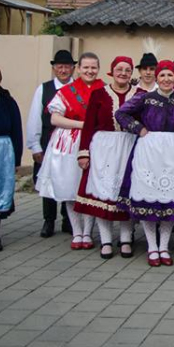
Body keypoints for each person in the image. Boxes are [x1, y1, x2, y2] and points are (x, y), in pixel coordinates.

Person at [116, 60, 174, 267]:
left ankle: (164, 246)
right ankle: (152, 247)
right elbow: (121, 113)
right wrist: (139, 129)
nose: (166, 79)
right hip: (150, 152)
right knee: (150, 198)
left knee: (170, 198)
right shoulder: (145, 98)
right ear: (156, 77)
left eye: (169, 75)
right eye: (162, 75)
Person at [37, 53, 104, 251]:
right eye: (86, 68)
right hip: (69, 143)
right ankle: (76, 232)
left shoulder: (103, 89)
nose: (90, 71)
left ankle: (88, 232)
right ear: (79, 69)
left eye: (93, 68)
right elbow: (55, 119)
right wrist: (84, 124)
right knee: (70, 188)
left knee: (90, 190)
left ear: (98, 69)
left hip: (95, 142)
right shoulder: (67, 91)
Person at [73, 56, 138, 259]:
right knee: (104, 195)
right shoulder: (99, 94)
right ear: (111, 71)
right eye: (119, 69)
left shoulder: (140, 95)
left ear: (131, 72)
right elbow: (89, 125)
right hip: (103, 149)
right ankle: (106, 240)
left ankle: (126, 239)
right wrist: (84, 153)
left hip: (129, 147)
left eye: (127, 70)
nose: (123, 73)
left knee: (126, 195)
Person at [26, 49, 75, 237]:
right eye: (60, 66)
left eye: (67, 66)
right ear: (54, 68)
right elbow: (34, 118)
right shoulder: (44, 89)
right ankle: (48, 220)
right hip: (48, 140)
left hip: (71, 141)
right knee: (48, 181)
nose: (63, 70)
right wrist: (35, 145)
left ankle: (67, 219)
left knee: (69, 178)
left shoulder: (77, 88)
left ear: (73, 68)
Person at [0, 69, 22, 250]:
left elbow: (16, 129)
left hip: (3, 148)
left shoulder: (7, 100)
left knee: (1, 189)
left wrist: (17, 159)